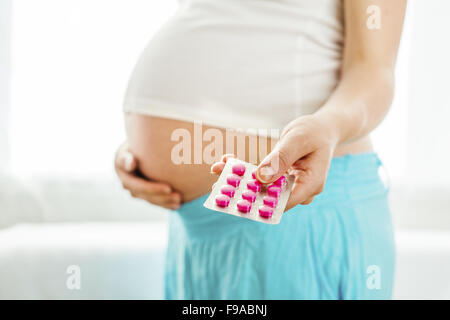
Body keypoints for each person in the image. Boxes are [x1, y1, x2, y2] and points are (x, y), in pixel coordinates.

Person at [115, 0, 406, 299]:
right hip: (195, 228)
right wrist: (142, 148)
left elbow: (374, 72)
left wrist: (328, 127)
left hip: (296, 211)